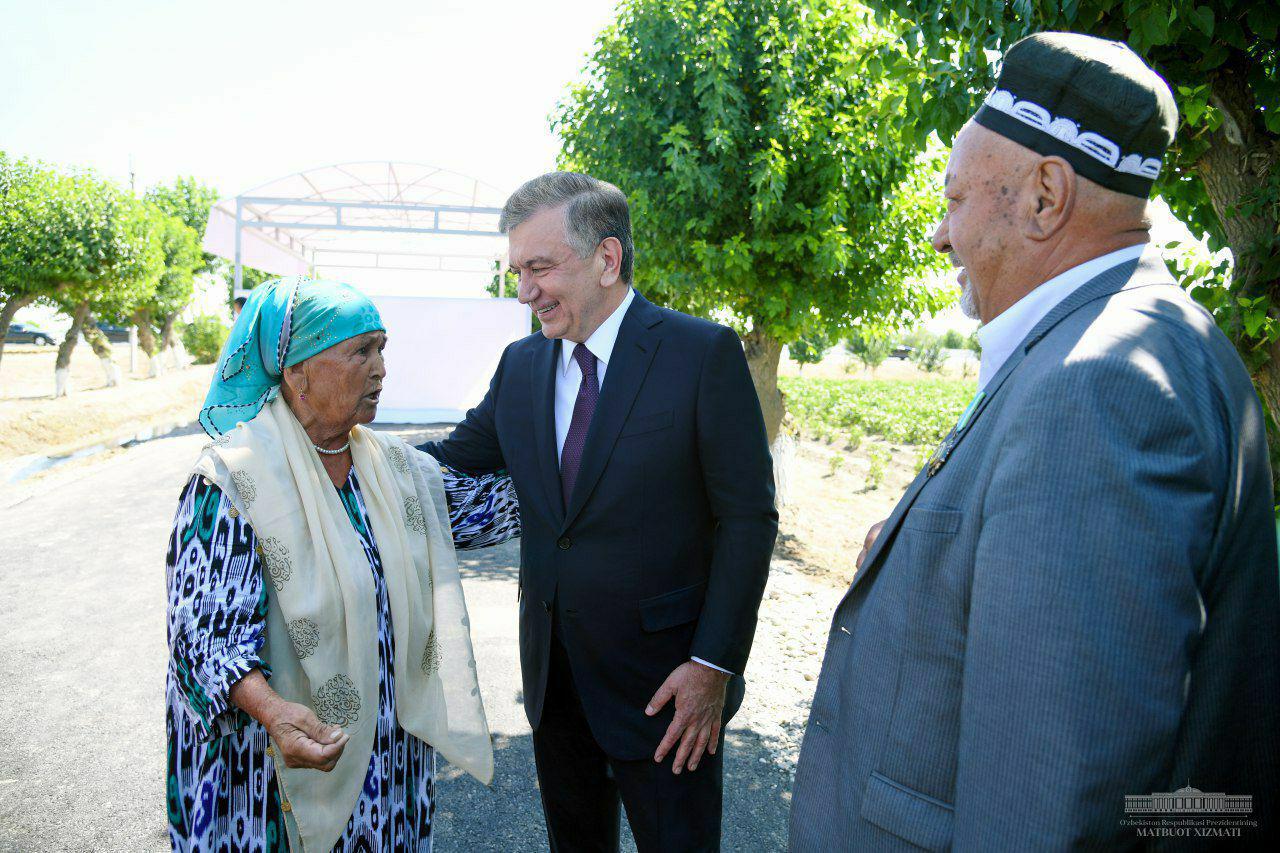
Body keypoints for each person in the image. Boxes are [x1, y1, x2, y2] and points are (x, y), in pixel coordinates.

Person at [790, 32, 1280, 850]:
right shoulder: (1127, 343)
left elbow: (1054, 805)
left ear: (1045, 197)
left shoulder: (1097, 385)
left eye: (952, 201)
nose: (939, 237)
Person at [420, 172, 777, 851]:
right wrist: (329, 446)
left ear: (607, 259)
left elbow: (748, 520)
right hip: (556, 688)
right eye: (516, 270)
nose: (524, 291)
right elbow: (452, 456)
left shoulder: (702, 354)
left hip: (670, 693)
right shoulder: (521, 366)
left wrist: (713, 665)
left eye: (539, 267)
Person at [166, 277, 519, 852]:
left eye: (383, 348)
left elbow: (486, 512)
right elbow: (203, 639)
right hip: (279, 765)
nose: (380, 369)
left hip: (387, 763)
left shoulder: (393, 469)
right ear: (297, 373)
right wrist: (275, 712)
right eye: (361, 351)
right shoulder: (232, 483)